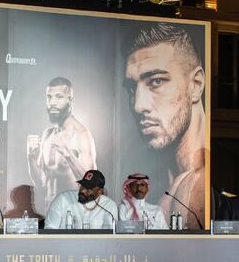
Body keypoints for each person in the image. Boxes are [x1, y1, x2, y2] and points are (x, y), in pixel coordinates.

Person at [125, 23, 206, 227]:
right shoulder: (167, 186)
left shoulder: (199, 184)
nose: (138, 106)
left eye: (156, 81)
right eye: (132, 88)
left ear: (195, 86)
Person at [27, 77, 97, 209]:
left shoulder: (81, 134)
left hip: (74, 212)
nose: (52, 102)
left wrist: (68, 154)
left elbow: (92, 184)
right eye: (49, 97)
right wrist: (31, 158)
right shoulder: (47, 134)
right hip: (50, 211)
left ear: (70, 100)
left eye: (59, 97)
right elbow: (41, 183)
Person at [44, 170, 118, 229]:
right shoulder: (63, 199)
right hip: (65, 246)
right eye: (82, 186)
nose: (82, 191)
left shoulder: (109, 206)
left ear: (99, 192)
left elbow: (111, 238)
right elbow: (49, 229)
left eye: (88, 189)